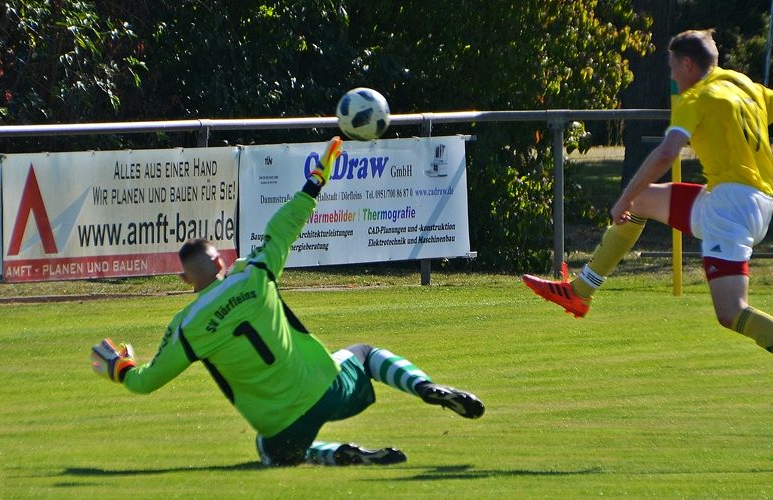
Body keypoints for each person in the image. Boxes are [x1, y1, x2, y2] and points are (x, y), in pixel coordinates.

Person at [522, 29, 773, 428]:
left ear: (688, 65)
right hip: (748, 202)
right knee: (646, 202)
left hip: (730, 209)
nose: (672, 77)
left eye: (673, 68)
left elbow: (665, 152)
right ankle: (580, 292)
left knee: (731, 312)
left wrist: (622, 197)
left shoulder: (696, 97)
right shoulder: (743, 85)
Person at [90, 137, 484, 466]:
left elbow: (146, 382)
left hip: (280, 426)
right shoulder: (256, 273)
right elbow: (287, 222)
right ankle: (425, 387)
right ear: (222, 260)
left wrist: (120, 367)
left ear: (184, 277)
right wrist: (317, 178)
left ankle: (342, 454)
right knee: (363, 353)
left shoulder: (186, 327)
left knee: (270, 452)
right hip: (326, 390)